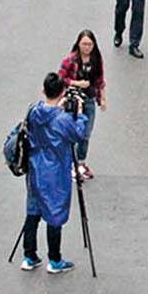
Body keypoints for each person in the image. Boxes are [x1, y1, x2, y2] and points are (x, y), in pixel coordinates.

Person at [18, 72, 90, 274]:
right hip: (55, 171)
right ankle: (55, 259)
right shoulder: (63, 119)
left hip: (35, 168)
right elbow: (78, 134)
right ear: (63, 92)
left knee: (33, 212)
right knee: (54, 213)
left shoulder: (34, 111)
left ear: (43, 90)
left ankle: (29, 256)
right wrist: (81, 113)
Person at [60, 30, 107, 182]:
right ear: (78, 44)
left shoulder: (96, 60)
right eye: (84, 44)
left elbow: (100, 79)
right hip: (74, 102)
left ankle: (81, 162)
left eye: (90, 44)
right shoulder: (71, 60)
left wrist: (103, 98)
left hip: (89, 100)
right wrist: (76, 83)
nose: (87, 47)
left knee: (86, 134)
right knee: (74, 133)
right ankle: (71, 164)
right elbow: (61, 78)